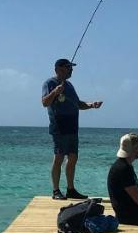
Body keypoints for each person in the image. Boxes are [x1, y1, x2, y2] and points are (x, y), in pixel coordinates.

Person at [41, 58, 102, 200]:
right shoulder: (49, 83)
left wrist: (91, 104)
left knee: (73, 157)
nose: (71, 70)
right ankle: (56, 191)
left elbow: (78, 104)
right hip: (59, 125)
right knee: (59, 157)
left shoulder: (69, 85)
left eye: (71, 67)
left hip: (73, 125)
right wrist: (55, 92)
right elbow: (44, 102)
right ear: (58, 69)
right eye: (68, 67)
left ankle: (70, 189)